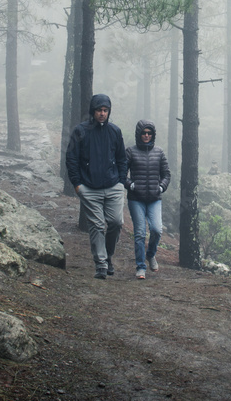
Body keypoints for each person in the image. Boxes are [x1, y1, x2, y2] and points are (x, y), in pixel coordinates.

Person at [65, 94, 128, 279]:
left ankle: (108, 256)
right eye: (99, 110)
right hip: (89, 187)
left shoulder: (115, 132)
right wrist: (77, 185)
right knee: (97, 225)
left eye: (105, 110)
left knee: (117, 223)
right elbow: (71, 158)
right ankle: (101, 264)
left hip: (113, 185)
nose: (102, 113)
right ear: (93, 111)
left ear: (109, 112)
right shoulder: (81, 131)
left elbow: (122, 159)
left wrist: (121, 182)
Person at [125, 119, 170, 280]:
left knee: (157, 230)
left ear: (153, 134)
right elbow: (121, 173)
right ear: (139, 134)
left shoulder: (159, 152)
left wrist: (161, 187)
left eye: (149, 133)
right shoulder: (130, 151)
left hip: (154, 198)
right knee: (139, 233)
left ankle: (150, 255)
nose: (146, 135)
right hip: (136, 199)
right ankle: (140, 267)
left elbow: (166, 175)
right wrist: (130, 185)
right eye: (143, 132)